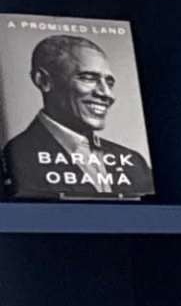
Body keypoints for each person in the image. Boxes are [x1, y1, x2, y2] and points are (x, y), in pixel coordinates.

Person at [6, 32, 153, 202]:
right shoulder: (16, 158)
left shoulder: (135, 163)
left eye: (109, 82)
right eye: (88, 78)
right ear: (44, 81)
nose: (107, 94)